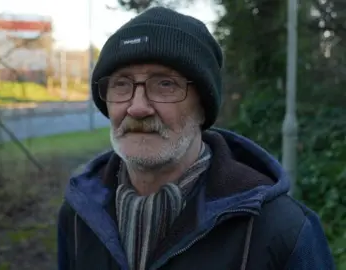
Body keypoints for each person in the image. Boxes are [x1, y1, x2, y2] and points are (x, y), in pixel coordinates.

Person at [56, 6, 335, 270]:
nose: (137, 107)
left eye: (165, 84)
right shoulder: (80, 216)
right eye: (121, 84)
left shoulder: (282, 230)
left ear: (203, 107)